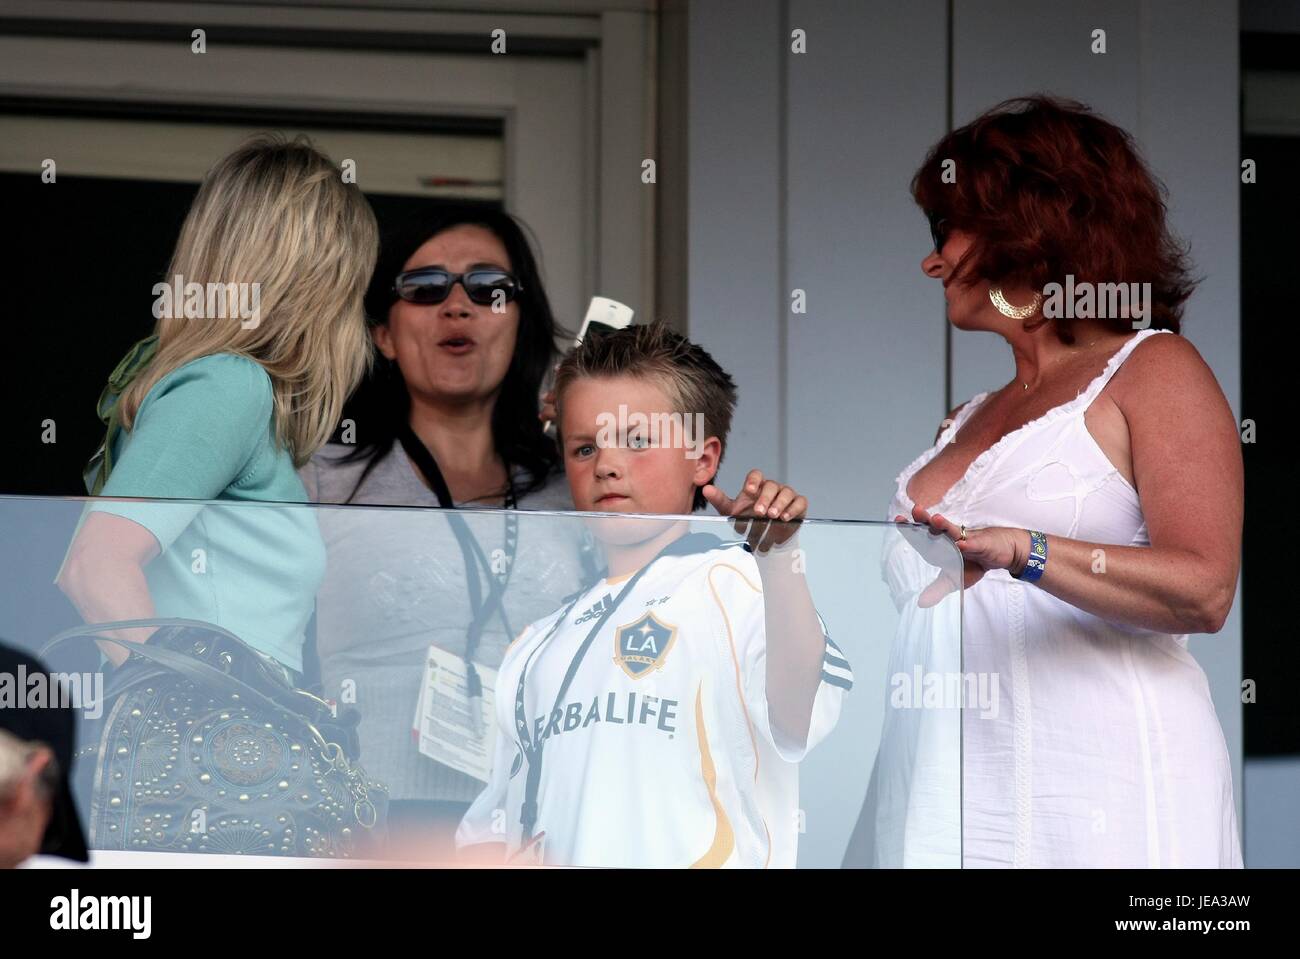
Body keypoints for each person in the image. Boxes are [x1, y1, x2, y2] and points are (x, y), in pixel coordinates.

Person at [852, 96, 1242, 868]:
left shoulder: (1153, 370)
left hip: (1104, 797)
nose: (932, 261)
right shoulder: (961, 423)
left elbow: (1204, 589)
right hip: (947, 803)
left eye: (946, 232)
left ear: (1027, 224)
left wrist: (1022, 550)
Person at [456, 324, 852, 867]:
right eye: (584, 447)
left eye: (637, 440)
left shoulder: (736, 583)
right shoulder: (535, 644)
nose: (607, 464)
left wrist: (779, 558)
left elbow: (796, 717)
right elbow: (490, 828)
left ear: (704, 460)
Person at [300, 208, 593, 859]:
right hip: (367, 832)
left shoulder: (574, 486)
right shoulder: (321, 475)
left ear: (522, 324)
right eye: (426, 288)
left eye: (488, 288)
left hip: (541, 828)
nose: (457, 305)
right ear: (382, 332)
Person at [57, 132, 377, 683]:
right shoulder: (230, 386)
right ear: (317, 283)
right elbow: (93, 567)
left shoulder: (231, 391)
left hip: (227, 753)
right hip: (212, 757)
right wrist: (190, 710)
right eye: (352, 288)